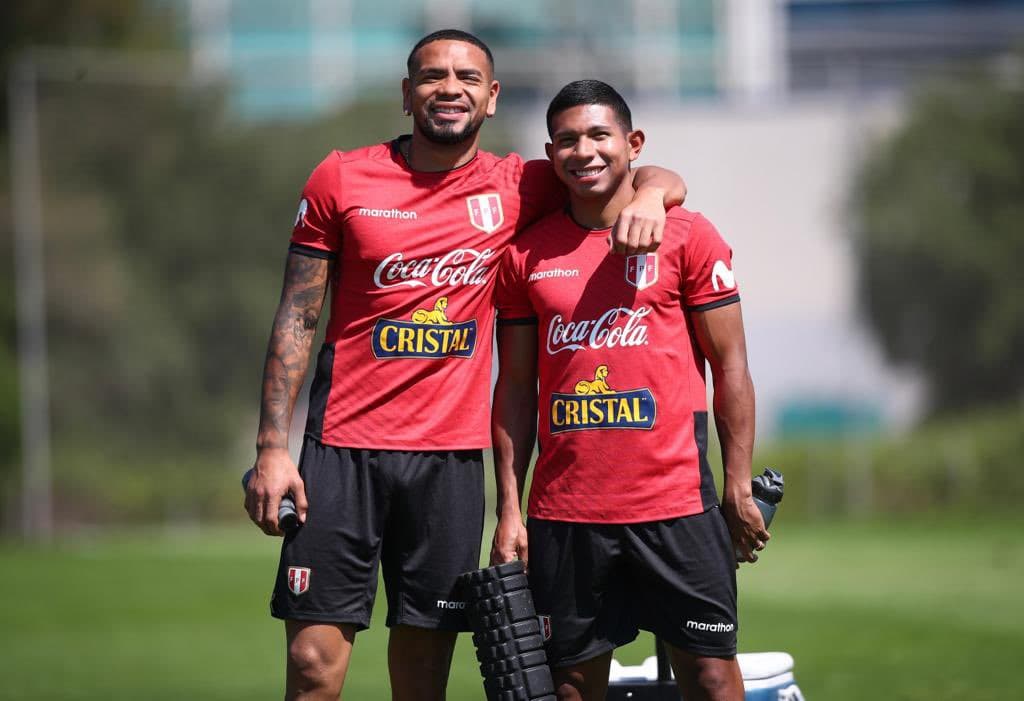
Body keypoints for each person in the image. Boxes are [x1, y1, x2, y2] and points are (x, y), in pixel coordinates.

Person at [243, 30, 687, 700]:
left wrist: (652, 195)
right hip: (340, 452)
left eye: (467, 77)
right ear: (406, 93)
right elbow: (298, 315)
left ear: (490, 98)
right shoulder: (340, 177)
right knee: (311, 663)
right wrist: (272, 447)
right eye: (431, 75)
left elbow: (636, 169)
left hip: (448, 463)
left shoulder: (522, 184)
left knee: (422, 677)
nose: (449, 87)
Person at [490, 80, 768, 701]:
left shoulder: (688, 235)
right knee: (569, 688)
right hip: (565, 516)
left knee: (713, 678)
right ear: (550, 151)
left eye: (598, 136)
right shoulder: (525, 258)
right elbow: (513, 390)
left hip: (676, 505)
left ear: (632, 143)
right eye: (567, 140)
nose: (583, 151)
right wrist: (509, 508)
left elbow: (732, 366)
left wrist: (738, 482)